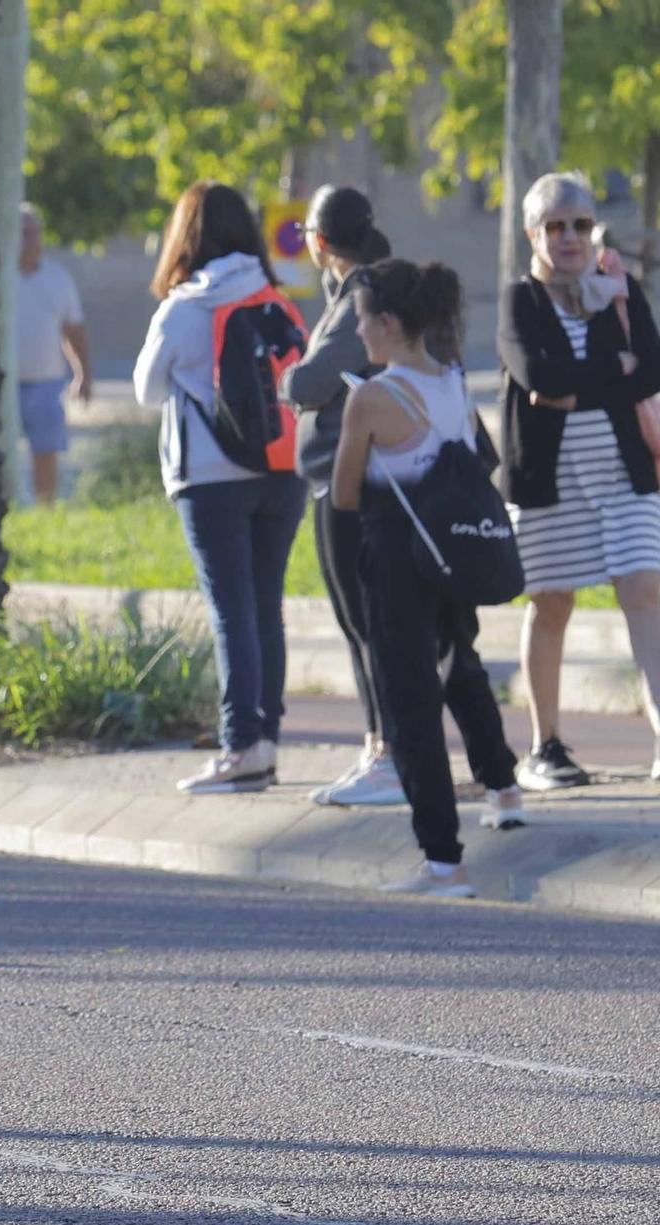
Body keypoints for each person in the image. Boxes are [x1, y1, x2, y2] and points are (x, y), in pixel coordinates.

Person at [332, 259, 528, 898]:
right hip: (449, 551)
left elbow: (343, 491)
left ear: (388, 323)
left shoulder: (371, 397)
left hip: (395, 556)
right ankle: (502, 784)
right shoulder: (452, 382)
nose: (358, 333)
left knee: (409, 705)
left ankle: (443, 861)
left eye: (362, 321)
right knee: (461, 668)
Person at [134, 181, 308, 794]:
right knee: (266, 609)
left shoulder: (184, 309)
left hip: (210, 479)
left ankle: (241, 747)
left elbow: (146, 390)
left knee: (230, 610)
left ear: (186, 237)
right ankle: (269, 741)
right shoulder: (275, 300)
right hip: (284, 473)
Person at [497, 172, 660, 787]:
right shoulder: (521, 301)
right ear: (532, 233)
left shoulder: (622, 291)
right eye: (556, 226)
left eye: (581, 225)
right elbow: (535, 370)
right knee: (552, 604)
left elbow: (648, 372)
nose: (570, 238)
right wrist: (606, 370)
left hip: (624, 477)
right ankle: (546, 747)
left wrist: (573, 385)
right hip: (549, 485)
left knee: (646, 592)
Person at [280, 186, 403, 805]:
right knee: (358, 623)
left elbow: (312, 378)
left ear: (320, 241)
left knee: (367, 621)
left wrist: (286, 378)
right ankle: (377, 746)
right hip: (336, 476)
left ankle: (392, 752)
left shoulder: (362, 295)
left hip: (353, 479)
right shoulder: (352, 292)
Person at [15, 203, 91, 505]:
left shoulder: (58, 279)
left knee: (46, 451)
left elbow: (73, 330)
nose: (30, 240)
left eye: (34, 233)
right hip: (2, 384)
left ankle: (45, 512)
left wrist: (83, 374)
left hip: (45, 382)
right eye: (23, 233)